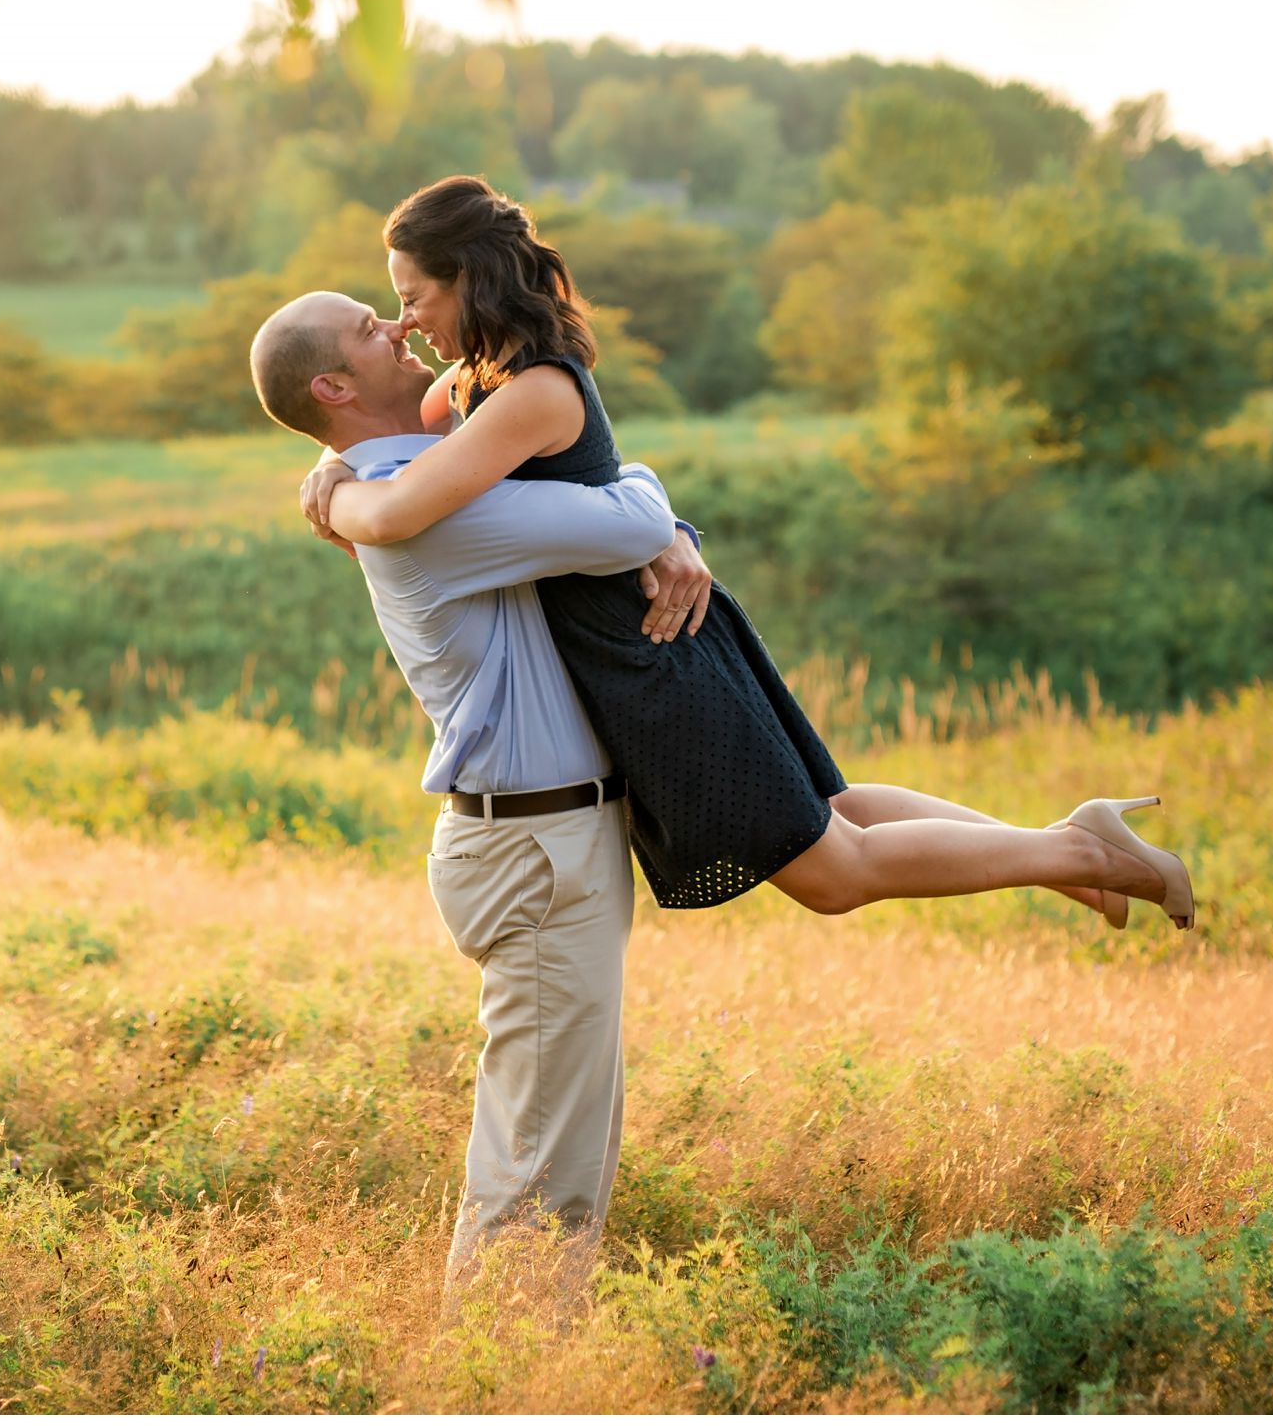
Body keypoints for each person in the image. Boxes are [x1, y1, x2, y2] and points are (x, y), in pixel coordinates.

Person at [296, 173, 1197, 931]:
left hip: (643, 647)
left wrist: (335, 493)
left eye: (414, 297)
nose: (408, 322)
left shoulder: (531, 389)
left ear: (471, 279)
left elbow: (406, 505)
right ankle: (1067, 847)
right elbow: (403, 452)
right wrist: (329, 463)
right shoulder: (472, 383)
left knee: (831, 874)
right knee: (833, 816)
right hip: (640, 638)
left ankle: (1076, 848)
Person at [247, 286, 702, 1292]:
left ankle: (536, 1363)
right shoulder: (430, 512)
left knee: (560, 1143)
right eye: (372, 328)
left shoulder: (407, 481)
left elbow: (473, 411)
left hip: (538, 842)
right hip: (534, 850)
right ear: (333, 385)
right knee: (537, 1163)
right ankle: (499, 1379)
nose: (399, 327)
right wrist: (663, 521)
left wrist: (327, 468)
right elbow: (627, 516)